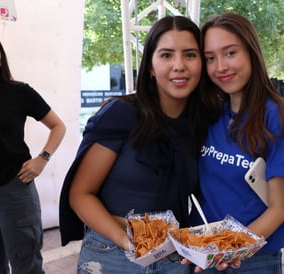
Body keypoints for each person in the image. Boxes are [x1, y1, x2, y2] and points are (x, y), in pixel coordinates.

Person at [59, 16, 215, 273]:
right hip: (114, 253)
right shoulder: (121, 113)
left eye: (190, 55)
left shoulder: (204, 122)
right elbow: (80, 195)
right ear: (151, 67)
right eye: (166, 55)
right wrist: (130, 243)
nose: (179, 66)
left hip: (174, 257)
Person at [190, 12, 284, 273]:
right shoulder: (211, 113)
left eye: (230, 53)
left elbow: (279, 209)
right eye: (210, 58)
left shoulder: (278, 117)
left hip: (252, 258)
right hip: (204, 252)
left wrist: (229, 248)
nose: (220, 66)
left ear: (251, 52)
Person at [0, 33, 66, 273]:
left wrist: (42, 159)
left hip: (13, 187)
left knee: (26, 264)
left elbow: (58, 126)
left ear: (1, 58)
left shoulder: (18, 92)